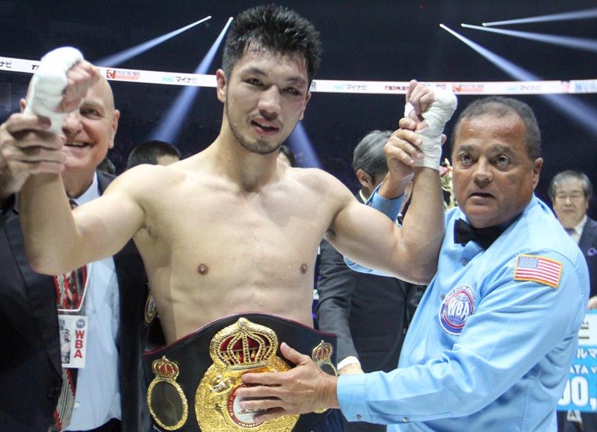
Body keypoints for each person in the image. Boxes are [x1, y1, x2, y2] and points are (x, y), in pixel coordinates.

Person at [18, 5, 453, 432]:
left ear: (305, 102)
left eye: (290, 90)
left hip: (305, 422)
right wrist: (41, 128)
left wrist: (429, 153)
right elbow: (55, 252)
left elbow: (415, 261)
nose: (270, 104)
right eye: (255, 81)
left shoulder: (319, 193)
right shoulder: (154, 189)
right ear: (222, 83)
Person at [236, 96, 590, 432]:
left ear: (534, 172)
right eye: (467, 159)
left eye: (501, 161)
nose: (480, 174)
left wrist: (329, 391)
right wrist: (397, 180)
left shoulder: (542, 265)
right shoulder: (455, 224)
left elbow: (463, 384)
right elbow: (364, 262)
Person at [0, 64, 150, 431]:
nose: (70, 126)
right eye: (57, 111)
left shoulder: (137, 209)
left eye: (90, 112)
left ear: (113, 128)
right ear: (26, 115)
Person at [316, 130, 424, 432]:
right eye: (397, 178)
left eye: (411, 178)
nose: (407, 187)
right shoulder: (344, 228)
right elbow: (333, 301)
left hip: (417, 372)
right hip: (367, 373)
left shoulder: (421, 219)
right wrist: (347, 362)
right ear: (364, 178)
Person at [549, 170, 597, 432]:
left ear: (587, 200)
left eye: (575, 195)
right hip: (552, 339)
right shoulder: (540, 238)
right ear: (553, 202)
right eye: (562, 196)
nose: (568, 202)